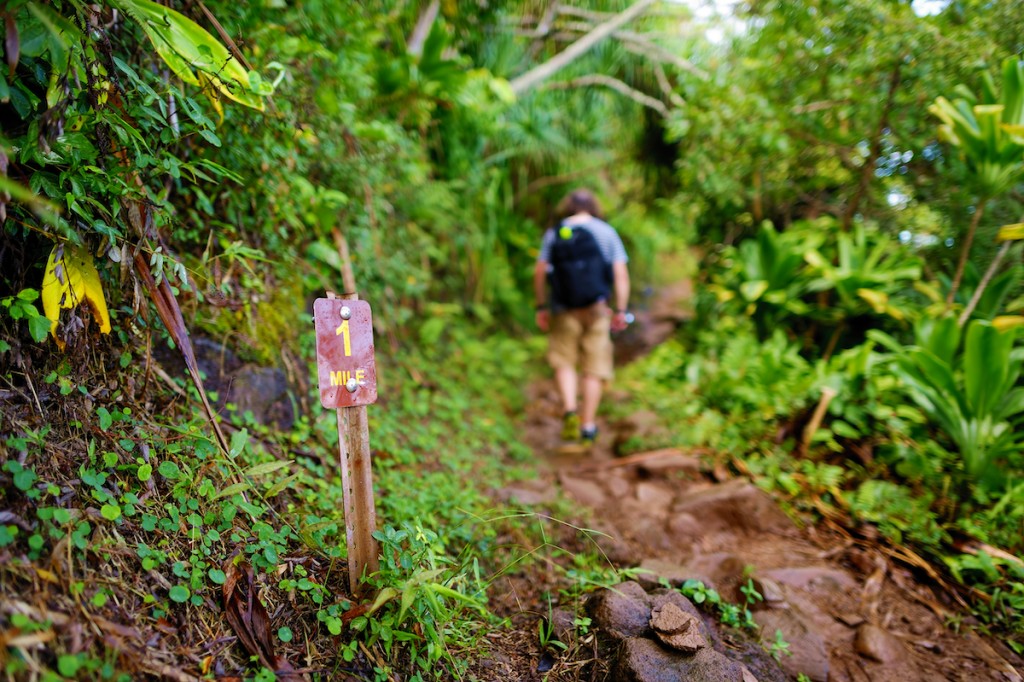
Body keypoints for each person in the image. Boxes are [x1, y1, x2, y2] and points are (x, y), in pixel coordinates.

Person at [534, 189, 630, 447]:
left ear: (568, 206)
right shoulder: (606, 231)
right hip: (596, 308)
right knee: (593, 369)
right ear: (594, 206)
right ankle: (587, 426)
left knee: (564, 361)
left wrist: (541, 306)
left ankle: (569, 409)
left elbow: (540, 271)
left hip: (563, 308)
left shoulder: (555, 232)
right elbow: (620, 273)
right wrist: (621, 310)